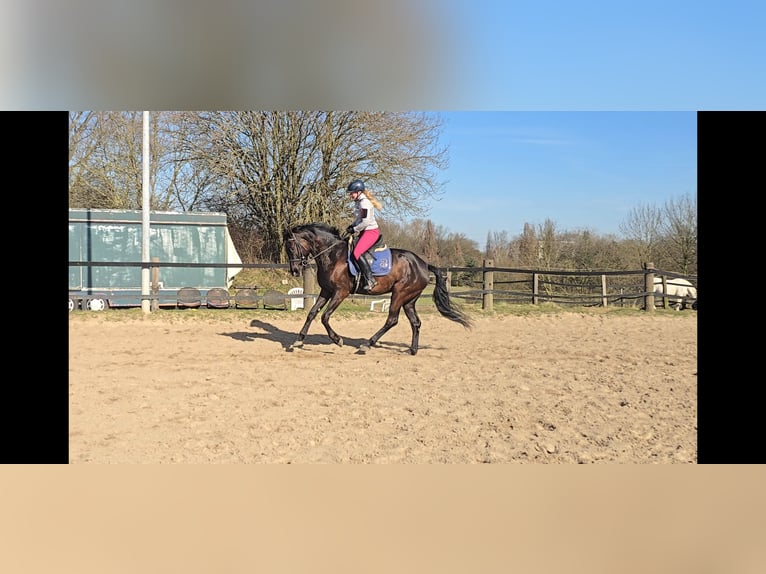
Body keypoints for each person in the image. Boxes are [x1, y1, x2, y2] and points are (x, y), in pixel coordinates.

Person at [345, 179, 382, 291]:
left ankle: (370, 279)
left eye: (352, 193)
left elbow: (366, 222)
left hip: (371, 232)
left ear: (359, 192)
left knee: (357, 252)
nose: (350, 195)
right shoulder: (359, 202)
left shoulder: (365, 203)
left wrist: (355, 229)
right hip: (364, 231)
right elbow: (359, 219)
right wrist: (352, 226)